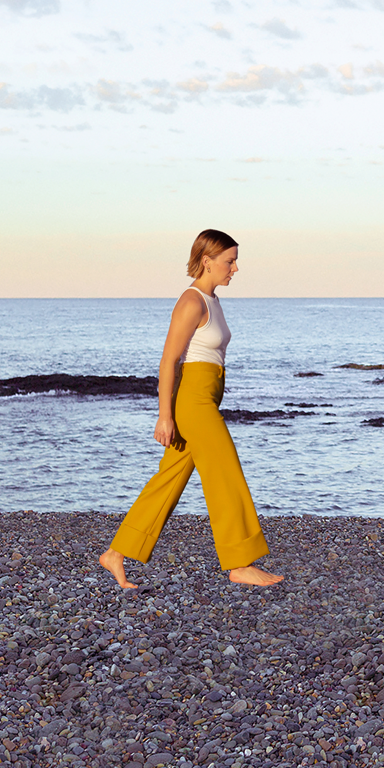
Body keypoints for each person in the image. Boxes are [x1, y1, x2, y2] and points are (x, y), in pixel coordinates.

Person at [99, 230, 282, 590]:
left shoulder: (212, 301)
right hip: (194, 402)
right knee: (225, 472)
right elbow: (169, 361)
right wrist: (165, 415)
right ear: (206, 260)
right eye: (230, 261)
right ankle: (240, 562)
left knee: (168, 480)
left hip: (206, 397)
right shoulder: (191, 301)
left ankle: (116, 553)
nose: (235, 268)